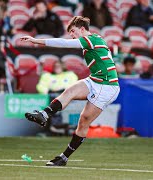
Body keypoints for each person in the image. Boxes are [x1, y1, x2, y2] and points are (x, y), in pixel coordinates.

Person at [20, 16, 120, 166]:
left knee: (83, 121)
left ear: (82, 29)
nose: (72, 35)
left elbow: (64, 43)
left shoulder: (91, 39)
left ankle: (64, 157)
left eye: (73, 31)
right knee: (70, 91)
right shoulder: (95, 40)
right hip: (96, 80)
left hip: (107, 86)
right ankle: (44, 114)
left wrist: (36, 41)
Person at [37, 60, 78, 136]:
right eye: (55, 66)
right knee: (53, 99)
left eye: (59, 66)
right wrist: (46, 91)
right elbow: (41, 87)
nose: (57, 68)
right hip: (51, 96)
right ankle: (54, 127)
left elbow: (73, 86)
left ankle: (59, 127)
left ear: (63, 67)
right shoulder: (48, 76)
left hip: (66, 95)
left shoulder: (70, 75)